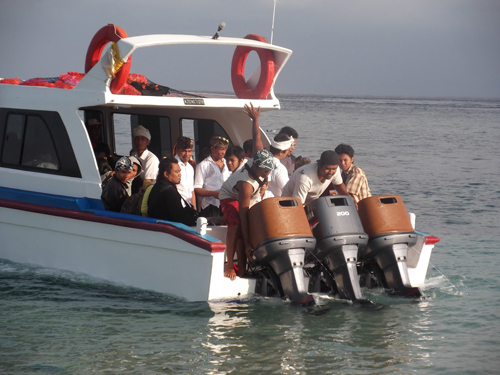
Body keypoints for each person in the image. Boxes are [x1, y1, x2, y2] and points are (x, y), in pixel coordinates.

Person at [219, 149, 275, 280]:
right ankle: (230, 265)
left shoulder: (256, 161)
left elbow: (257, 140)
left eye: (270, 169)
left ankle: (244, 270)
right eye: (265, 170)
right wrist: (248, 243)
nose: (268, 173)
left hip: (250, 198)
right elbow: (243, 216)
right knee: (237, 225)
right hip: (229, 196)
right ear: (255, 166)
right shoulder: (246, 185)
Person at [281, 150, 349, 206]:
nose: (331, 172)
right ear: (319, 164)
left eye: (334, 169)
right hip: (289, 204)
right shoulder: (305, 178)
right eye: (327, 169)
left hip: (310, 203)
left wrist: (349, 199)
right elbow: (297, 204)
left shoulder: (335, 171)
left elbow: (338, 185)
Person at [147, 157, 198, 226]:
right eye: (176, 172)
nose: (180, 174)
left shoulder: (160, 186)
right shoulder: (168, 192)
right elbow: (179, 217)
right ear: (166, 174)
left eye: (180, 171)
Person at [194, 135, 230, 218]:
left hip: (226, 204)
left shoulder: (228, 164)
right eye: (221, 149)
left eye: (225, 149)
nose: (223, 152)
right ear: (213, 148)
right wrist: (213, 193)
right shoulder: (203, 165)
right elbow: (197, 189)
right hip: (209, 206)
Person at [262, 133, 293, 198]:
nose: (287, 153)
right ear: (281, 152)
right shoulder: (280, 168)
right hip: (272, 203)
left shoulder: (260, 161)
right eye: (287, 151)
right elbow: (287, 190)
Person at [174, 136, 196, 209]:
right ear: (177, 150)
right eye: (184, 151)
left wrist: (195, 211)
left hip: (189, 207)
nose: (187, 154)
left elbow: (191, 192)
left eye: (189, 151)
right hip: (177, 206)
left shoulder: (190, 167)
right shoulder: (172, 165)